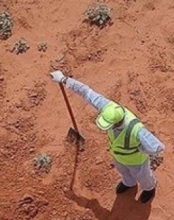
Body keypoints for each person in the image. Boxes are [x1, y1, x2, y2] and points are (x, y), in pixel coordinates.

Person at [49, 70, 165, 203]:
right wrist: (64, 79)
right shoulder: (107, 107)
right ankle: (129, 183)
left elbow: (157, 147)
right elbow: (86, 92)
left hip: (136, 161)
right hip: (118, 156)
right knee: (123, 171)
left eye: (109, 125)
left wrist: (139, 149)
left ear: (117, 122)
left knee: (143, 177)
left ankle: (149, 188)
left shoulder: (137, 130)